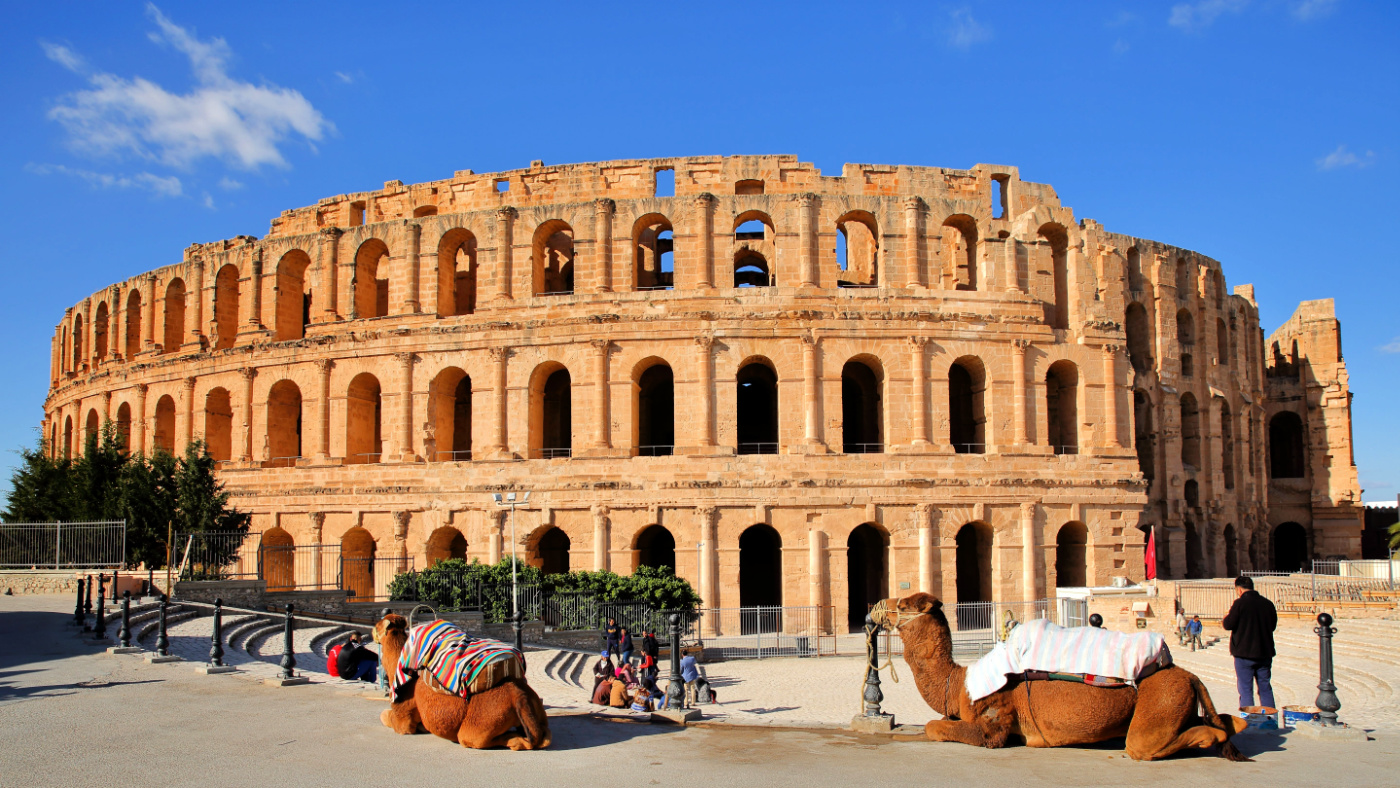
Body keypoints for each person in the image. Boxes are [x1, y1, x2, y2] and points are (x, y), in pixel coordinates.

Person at [1222, 575, 1278, 710]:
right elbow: (1272, 626)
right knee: (1265, 688)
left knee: (1246, 690)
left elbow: (1228, 624)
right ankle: (1269, 720)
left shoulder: (1239, 604)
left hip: (1244, 654)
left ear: (1239, 590)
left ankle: (1249, 723)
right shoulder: (1267, 603)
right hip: (1264, 653)